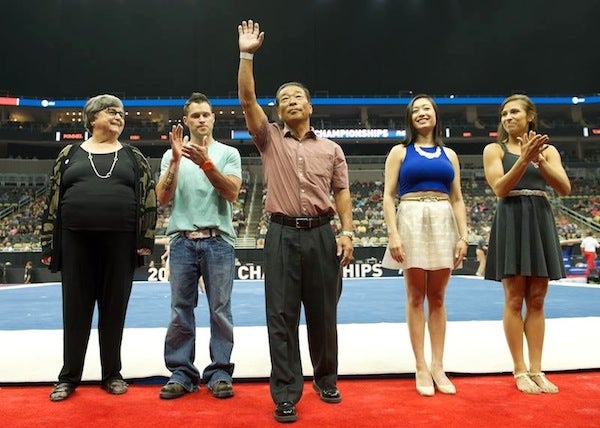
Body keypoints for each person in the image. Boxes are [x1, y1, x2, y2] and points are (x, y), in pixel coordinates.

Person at [238, 20, 354, 423]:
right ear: (278, 109)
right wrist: (246, 54)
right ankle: (286, 392)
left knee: (324, 314)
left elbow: (342, 193)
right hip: (282, 235)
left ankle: (326, 378)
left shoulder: (332, 149)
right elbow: (248, 99)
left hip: (323, 234)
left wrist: (349, 231)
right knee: (281, 317)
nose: (289, 101)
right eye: (283, 97)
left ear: (309, 106)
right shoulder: (267, 138)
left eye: (297, 97)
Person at [40, 94, 157, 401]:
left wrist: (145, 240)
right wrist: (47, 241)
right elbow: (53, 198)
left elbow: (149, 199)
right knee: (74, 311)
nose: (118, 116)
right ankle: (68, 377)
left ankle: (112, 374)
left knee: (114, 311)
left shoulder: (134, 156)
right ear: (92, 119)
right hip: (75, 241)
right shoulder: (69, 154)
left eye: (121, 113)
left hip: (121, 243)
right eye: (110, 112)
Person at [381, 94, 469, 397]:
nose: (421, 113)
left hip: (444, 217)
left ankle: (438, 365)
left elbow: (457, 198)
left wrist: (463, 235)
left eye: (426, 109)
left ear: (435, 115)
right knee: (416, 295)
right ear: (410, 118)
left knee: (439, 297)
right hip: (411, 217)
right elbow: (388, 196)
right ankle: (420, 364)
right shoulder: (399, 153)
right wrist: (393, 234)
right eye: (416, 110)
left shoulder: (450, 154)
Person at [483, 94, 571, 394]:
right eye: (504, 113)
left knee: (537, 300)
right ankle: (519, 369)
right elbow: (500, 188)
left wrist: (540, 161)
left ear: (529, 116)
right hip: (512, 217)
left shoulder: (549, 151)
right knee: (514, 299)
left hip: (540, 218)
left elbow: (564, 188)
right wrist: (523, 159)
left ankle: (536, 369)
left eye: (515, 112)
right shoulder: (493, 149)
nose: (508, 117)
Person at [157, 92, 242, 400]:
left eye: (206, 114)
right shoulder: (171, 155)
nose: (202, 119)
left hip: (218, 240)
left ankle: (220, 371)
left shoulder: (228, 153)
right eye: (195, 116)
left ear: (213, 118)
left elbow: (231, 193)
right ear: (187, 120)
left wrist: (205, 163)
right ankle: (181, 372)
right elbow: (162, 198)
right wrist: (177, 161)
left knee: (220, 310)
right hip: (182, 240)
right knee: (180, 310)